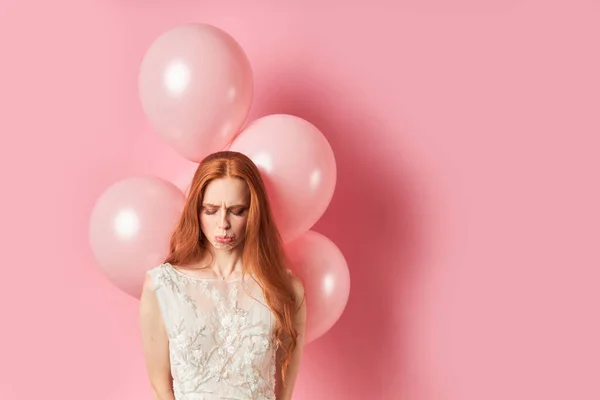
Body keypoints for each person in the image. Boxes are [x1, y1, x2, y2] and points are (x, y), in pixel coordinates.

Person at [139, 151, 307, 400]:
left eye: (237, 211)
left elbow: (284, 396)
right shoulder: (163, 286)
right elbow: (160, 390)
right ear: (196, 211)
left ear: (254, 212)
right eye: (211, 210)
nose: (223, 224)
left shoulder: (286, 288)